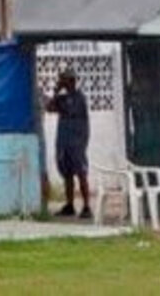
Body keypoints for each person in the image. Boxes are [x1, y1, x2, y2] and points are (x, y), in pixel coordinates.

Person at [46, 68, 91, 219]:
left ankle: (86, 206)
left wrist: (60, 100)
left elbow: (69, 111)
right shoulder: (63, 98)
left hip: (77, 142)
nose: (61, 82)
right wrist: (56, 93)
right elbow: (50, 108)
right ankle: (70, 205)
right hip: (64, 141)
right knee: (67, 174)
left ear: (71, 81)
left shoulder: (79, 98)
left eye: (63, 79)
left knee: (81, 173)